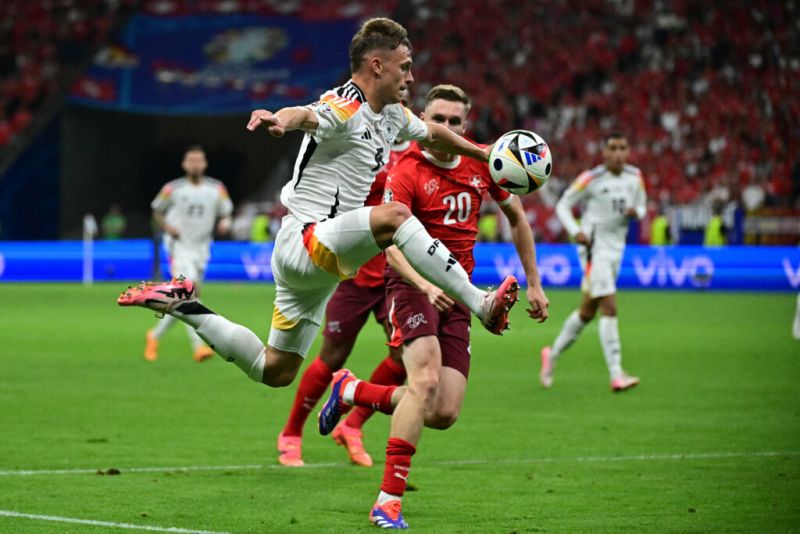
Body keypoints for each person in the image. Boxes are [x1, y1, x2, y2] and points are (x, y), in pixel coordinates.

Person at [118, 19, 517, 423]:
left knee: (275, 369)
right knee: (395, 216)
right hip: (308, 240)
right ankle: (480, 302)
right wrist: (280, 119)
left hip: (317, 266)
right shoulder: (345, 104)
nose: (411, 78)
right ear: (377, 65)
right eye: (405, 67)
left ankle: (183, 305)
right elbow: (307, 114)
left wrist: (484, 154)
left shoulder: (393, 115)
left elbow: (431, 134)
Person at [317, 84, 549, 529]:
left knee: (443, 412)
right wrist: (424, 283)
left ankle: (352, 390)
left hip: (459, 294)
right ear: (422, 120)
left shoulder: (487, 164)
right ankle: (387, 501)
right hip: (410, 286)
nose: (444, 127)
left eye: (454, 121)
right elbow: (389, 245)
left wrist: (535, 283)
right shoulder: (405, 168)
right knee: (422, 381)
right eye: (437, 119)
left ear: (466, 124)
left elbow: (518, 219)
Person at [276, 89, 415, 468]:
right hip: (352, 269)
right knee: (334, 355)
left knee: (404, 355)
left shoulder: (412, 155)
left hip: (394, 273)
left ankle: (352, 426)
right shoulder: (360, 138)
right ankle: (291, 433)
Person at [540, 133, 646, 392]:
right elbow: (563, 205)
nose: (618, 153)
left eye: (623, 148)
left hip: (617, 249)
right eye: (613, 148)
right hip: (593, 249)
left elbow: (642, 206)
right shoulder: (591, 178)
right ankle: (617, 374)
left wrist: (637, 213)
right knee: (609, 305)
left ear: (628, 151)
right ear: (605, 153)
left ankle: (552, 355)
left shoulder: (635, 177)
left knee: (587, 312)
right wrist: (575, 230)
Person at [144, 146, 233, 362]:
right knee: (189, 293)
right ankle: (198, 346)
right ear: (184, 164)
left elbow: (226, 212)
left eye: (198, 160)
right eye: (191, 160)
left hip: (202, 248)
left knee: (183, 298)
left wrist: (225, 222)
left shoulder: (217, 189)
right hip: (179, 247)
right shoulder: (172, 189)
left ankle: (154, 335)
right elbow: (156, 209)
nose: (195, 164)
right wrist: (167, 227)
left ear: (205, 164)